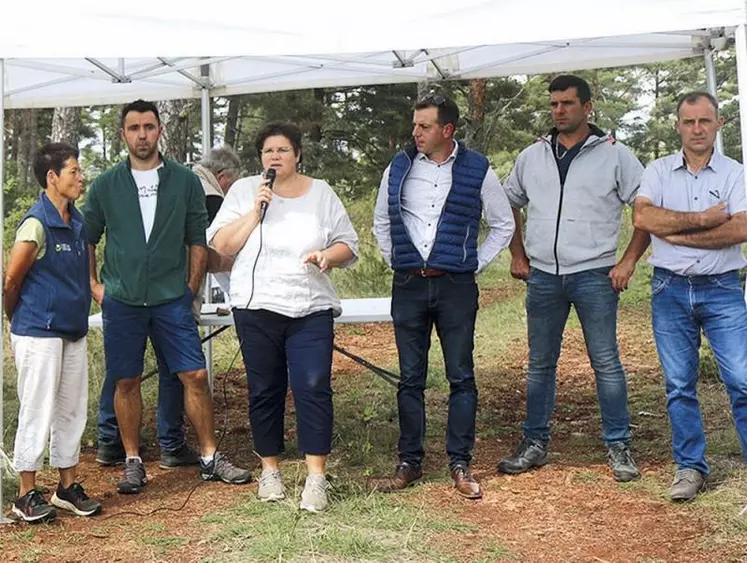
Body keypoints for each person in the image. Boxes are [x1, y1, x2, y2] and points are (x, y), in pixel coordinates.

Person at [84, 99, 250, 495]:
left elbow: (197, 237)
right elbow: (87, 238)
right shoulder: (106, 184)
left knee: (194, 373)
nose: (142, 134)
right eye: (134, 128)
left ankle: (210, 457)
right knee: (126, 380)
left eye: (149, 127)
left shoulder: (184, 180)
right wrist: (94, 286)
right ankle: (133, 461)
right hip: (122, 299)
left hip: (172, 297)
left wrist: (190, 287)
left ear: (159, 131)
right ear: (123, 134)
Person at [498, 75, 649, 482]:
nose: (559, 111)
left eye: (567, 103)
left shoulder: (616, 156)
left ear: (587, 107)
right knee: (540, 364)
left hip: (595, 274)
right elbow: (506, 203)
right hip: (544, 275)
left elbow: (647, 210)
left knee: (606, 362)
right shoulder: (533, 155)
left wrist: (628, 261)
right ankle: (534, 442)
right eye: (554, 104)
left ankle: (618, 446)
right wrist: (518, 252)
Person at [209, 121, 358, 513]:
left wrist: (328, 256)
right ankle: (270, 471)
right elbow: (221, 245)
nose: (274, 157)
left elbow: (348, 243)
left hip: (310, 306)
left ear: (298, 154)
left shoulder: (321, 193)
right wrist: (254, 214)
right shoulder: (245, 192)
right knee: (265, 389)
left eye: (283, 150)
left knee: (312, 387)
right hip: (257, 307)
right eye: (267, 152)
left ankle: (316, 478)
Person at [372, 94, 515, 499]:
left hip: (455, 286)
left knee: (461, 376)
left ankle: (460, 462)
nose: (415, 132)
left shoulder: (477, 168)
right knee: (409, 378)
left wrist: (473, 263)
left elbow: (503, 225)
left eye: (424, 126)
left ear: (446, 130)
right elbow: (382, 219)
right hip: (409, 284)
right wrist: (397, 260)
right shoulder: (399, 165)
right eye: (415, 125)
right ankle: (409, 461)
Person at [633, 91, 747, 501]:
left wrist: (677, 234)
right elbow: (643, 217)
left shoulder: (735, 173)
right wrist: (702, 220)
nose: (697, 129)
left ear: (718, 124)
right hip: (670, 289)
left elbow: (740, 229)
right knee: (679, 384)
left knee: (743, 380)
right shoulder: (659, 170)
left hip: (722, 290)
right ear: (678, 125)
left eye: (704, 121)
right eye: (688, 121)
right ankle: (690, 468)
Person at [5, 143, 102, 522]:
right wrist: (17, 321)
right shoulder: (35, 224)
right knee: (37, 409)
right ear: (52, 178)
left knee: (71, 410)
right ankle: (25, 493)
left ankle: (67, 487)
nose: (80, 177)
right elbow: (12, 281)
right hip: (38, 332)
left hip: (72, 331)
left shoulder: (77, 222)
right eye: (74, 171)